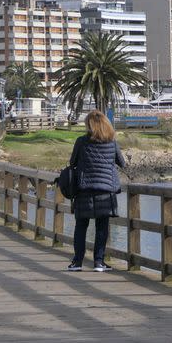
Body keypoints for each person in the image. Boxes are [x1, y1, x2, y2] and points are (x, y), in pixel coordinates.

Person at [67, 110, 125, 272]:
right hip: (105, 191)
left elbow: (72, 162)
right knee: (102, 227)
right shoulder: (112, 142)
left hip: (84, 189)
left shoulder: (81, 141)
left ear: (89, 125)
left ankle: (77, 262)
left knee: (81, 226)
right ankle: (99, 262)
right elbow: (122, 163)